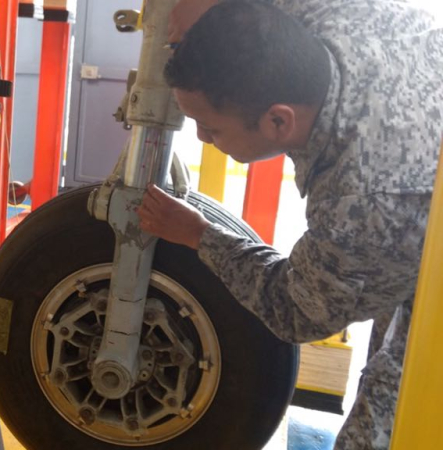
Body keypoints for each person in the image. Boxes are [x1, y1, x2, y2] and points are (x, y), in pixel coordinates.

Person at [136, 0, 443, 448]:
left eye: (210, 128)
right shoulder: (325, 18)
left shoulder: (363, 205)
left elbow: (295, 310)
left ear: (278, 120)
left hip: (418, 208)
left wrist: (199, 235)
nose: (200, 137)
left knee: (389, 418)